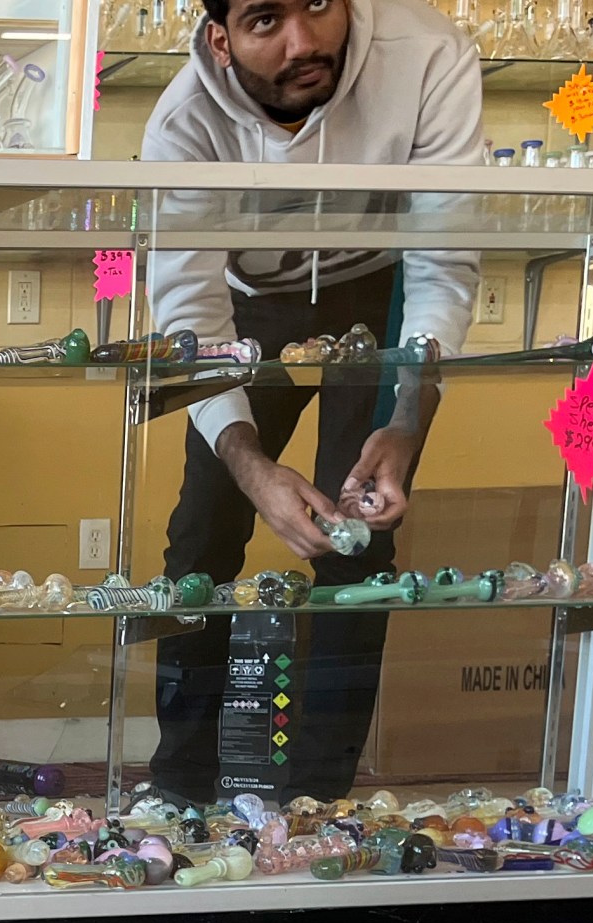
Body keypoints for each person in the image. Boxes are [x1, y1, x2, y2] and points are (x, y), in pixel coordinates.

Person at [141, 0, 483, 804]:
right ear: (220, 41)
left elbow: (443, 263)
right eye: (266, 21)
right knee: (202, 537)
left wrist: (407, 420)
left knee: (356, 543)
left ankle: (318, 798)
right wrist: (252, 466)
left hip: (379, 292)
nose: (305, 42)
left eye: (319, 5)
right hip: (246, 310)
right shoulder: (182, 122)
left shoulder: (429, 53)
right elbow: (190, 317)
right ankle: (179, 783)